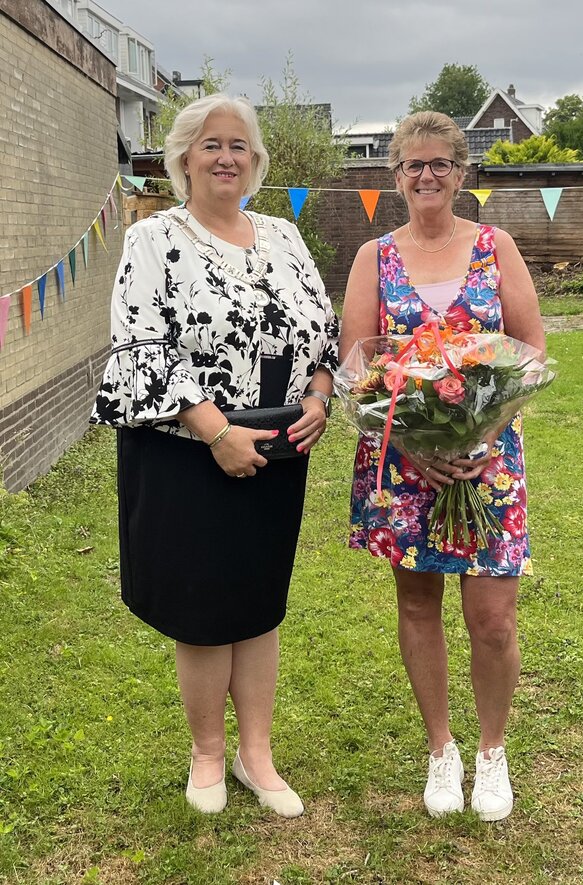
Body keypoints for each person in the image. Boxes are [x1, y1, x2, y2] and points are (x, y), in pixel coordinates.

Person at [90, 94, 338, 817]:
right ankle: (205, 753)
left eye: (239, 145)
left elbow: (321, 337)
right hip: (187, 455)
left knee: (259, 605)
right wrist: (214, 430)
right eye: (210, 145)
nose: (226, 156)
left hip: (278, 449)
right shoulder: (154, 239)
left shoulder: (286, 237)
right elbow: (141, 346)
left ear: (255, 161)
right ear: (184, 159)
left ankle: (255, 753)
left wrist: (320, 397)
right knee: (202, 609)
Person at [340, 111, 545, 822]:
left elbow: (530, 350)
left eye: (440, 163)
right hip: (403, 463)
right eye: (411, 164)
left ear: (462, 173)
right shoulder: (375, 256)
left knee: (492, 618)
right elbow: (357, 367)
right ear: (393, 175)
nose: (426, 175)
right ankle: (440, 749)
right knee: (417, 603)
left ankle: (492, 751)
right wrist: (410, 445)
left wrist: (484, 429)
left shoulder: (496, 247)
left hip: (488, 460)